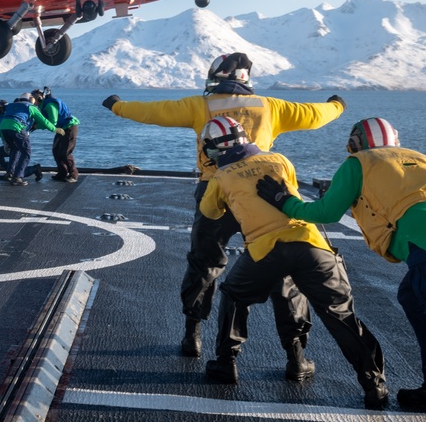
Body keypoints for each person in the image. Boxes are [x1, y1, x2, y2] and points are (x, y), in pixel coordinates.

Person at [101, 52, 346, 358]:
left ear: (214, 78)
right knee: (282, 267)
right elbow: (315, 114)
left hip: (216, 186)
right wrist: (337, 105)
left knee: (204, 261)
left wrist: (117, 106)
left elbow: (153, 111)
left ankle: (193, 335)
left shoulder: (199, 106)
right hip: (267, 192)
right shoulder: (271, 107)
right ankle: (295, 354)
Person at [200, 117, 388, 409]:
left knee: (234, 295)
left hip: (264, 250)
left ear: (213, 148)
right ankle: (370, 384)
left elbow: (210, 212)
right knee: (340, 315)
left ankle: (227, 363)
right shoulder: (279, 159)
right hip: (311, 244)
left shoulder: (220, 178)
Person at [257, 117, 426, 412]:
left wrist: (283, 200)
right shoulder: (420, 158)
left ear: (355, 143)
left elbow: (326, 211)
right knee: (410, 296)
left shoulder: (359, 162)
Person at [0, 92, 62, 186]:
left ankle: (9, 173)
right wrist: (55, 129)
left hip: (3, 129)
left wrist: (4, 139)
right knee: (26, 152)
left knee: (15, 150)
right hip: (17, 128)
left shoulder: (10, 105)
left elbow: (6, 118)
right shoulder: (30, 107)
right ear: (31, 99)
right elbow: (44, 121)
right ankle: (17, 177)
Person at [0, 99, 43, 181]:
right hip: (14, 145)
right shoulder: (9, 117)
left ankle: (33, 169)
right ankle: (10, 172)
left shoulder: (3, 120)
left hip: (15, 147)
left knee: (6, 159)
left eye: (0, 109)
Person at [32, 87, 80, 182]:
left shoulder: (50, 105)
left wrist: (36, 126)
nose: (32, 100)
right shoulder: (42, 105)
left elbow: (52, 122)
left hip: (69, 127)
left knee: (65, 152)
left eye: (34, 97)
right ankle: (62, 173)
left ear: (40, 98)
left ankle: (73, 175)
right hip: (61, 128)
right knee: (56, 150)